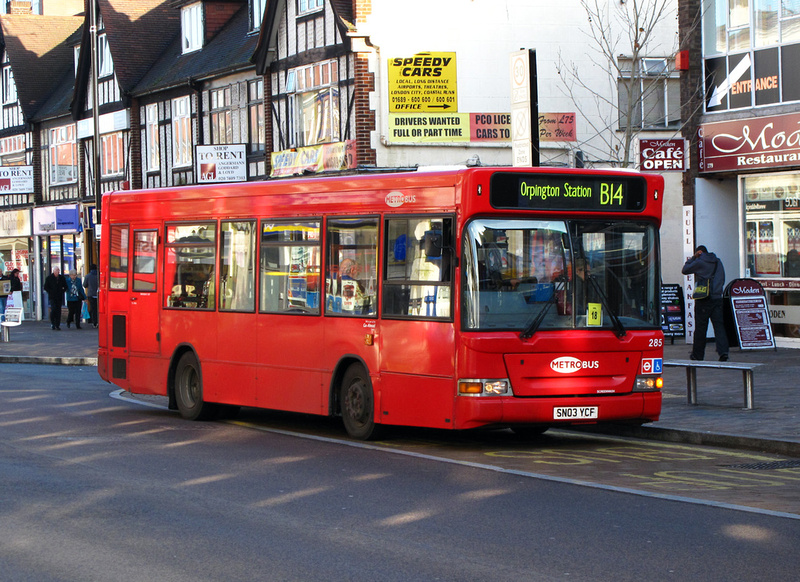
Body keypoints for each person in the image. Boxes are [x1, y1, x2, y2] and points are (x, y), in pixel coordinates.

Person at [682, 245, 729, 361]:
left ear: (699, 252)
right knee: (719, 327)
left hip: (704, 298)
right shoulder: (718, 262)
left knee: (701, 328)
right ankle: (723, 352)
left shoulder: (700, 262)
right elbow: (722, 278)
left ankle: (697, 355)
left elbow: (685, 270)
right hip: (717, 298)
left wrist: (694, 258)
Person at [44, 266, 67, 330]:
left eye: (58, 270)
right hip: (52, 297)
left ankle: (57, 324)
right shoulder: (49, 278)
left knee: (58, 310)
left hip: (59, 297)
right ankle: (53, 323)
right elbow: (45, 287)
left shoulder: (61, 278)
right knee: (53, 309)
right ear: (53, 271)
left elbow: (65, 286)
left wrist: (62, 291)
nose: (58, 272)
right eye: (56, 270)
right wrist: (51, 292)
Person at [83, 264, 99, 328]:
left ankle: (94, 322)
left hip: (91, 294)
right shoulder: (99, 276)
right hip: (98, 294)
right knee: (98, 309)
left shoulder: (88, 276)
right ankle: (98, 321)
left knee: (93, 308)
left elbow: (84, 285)